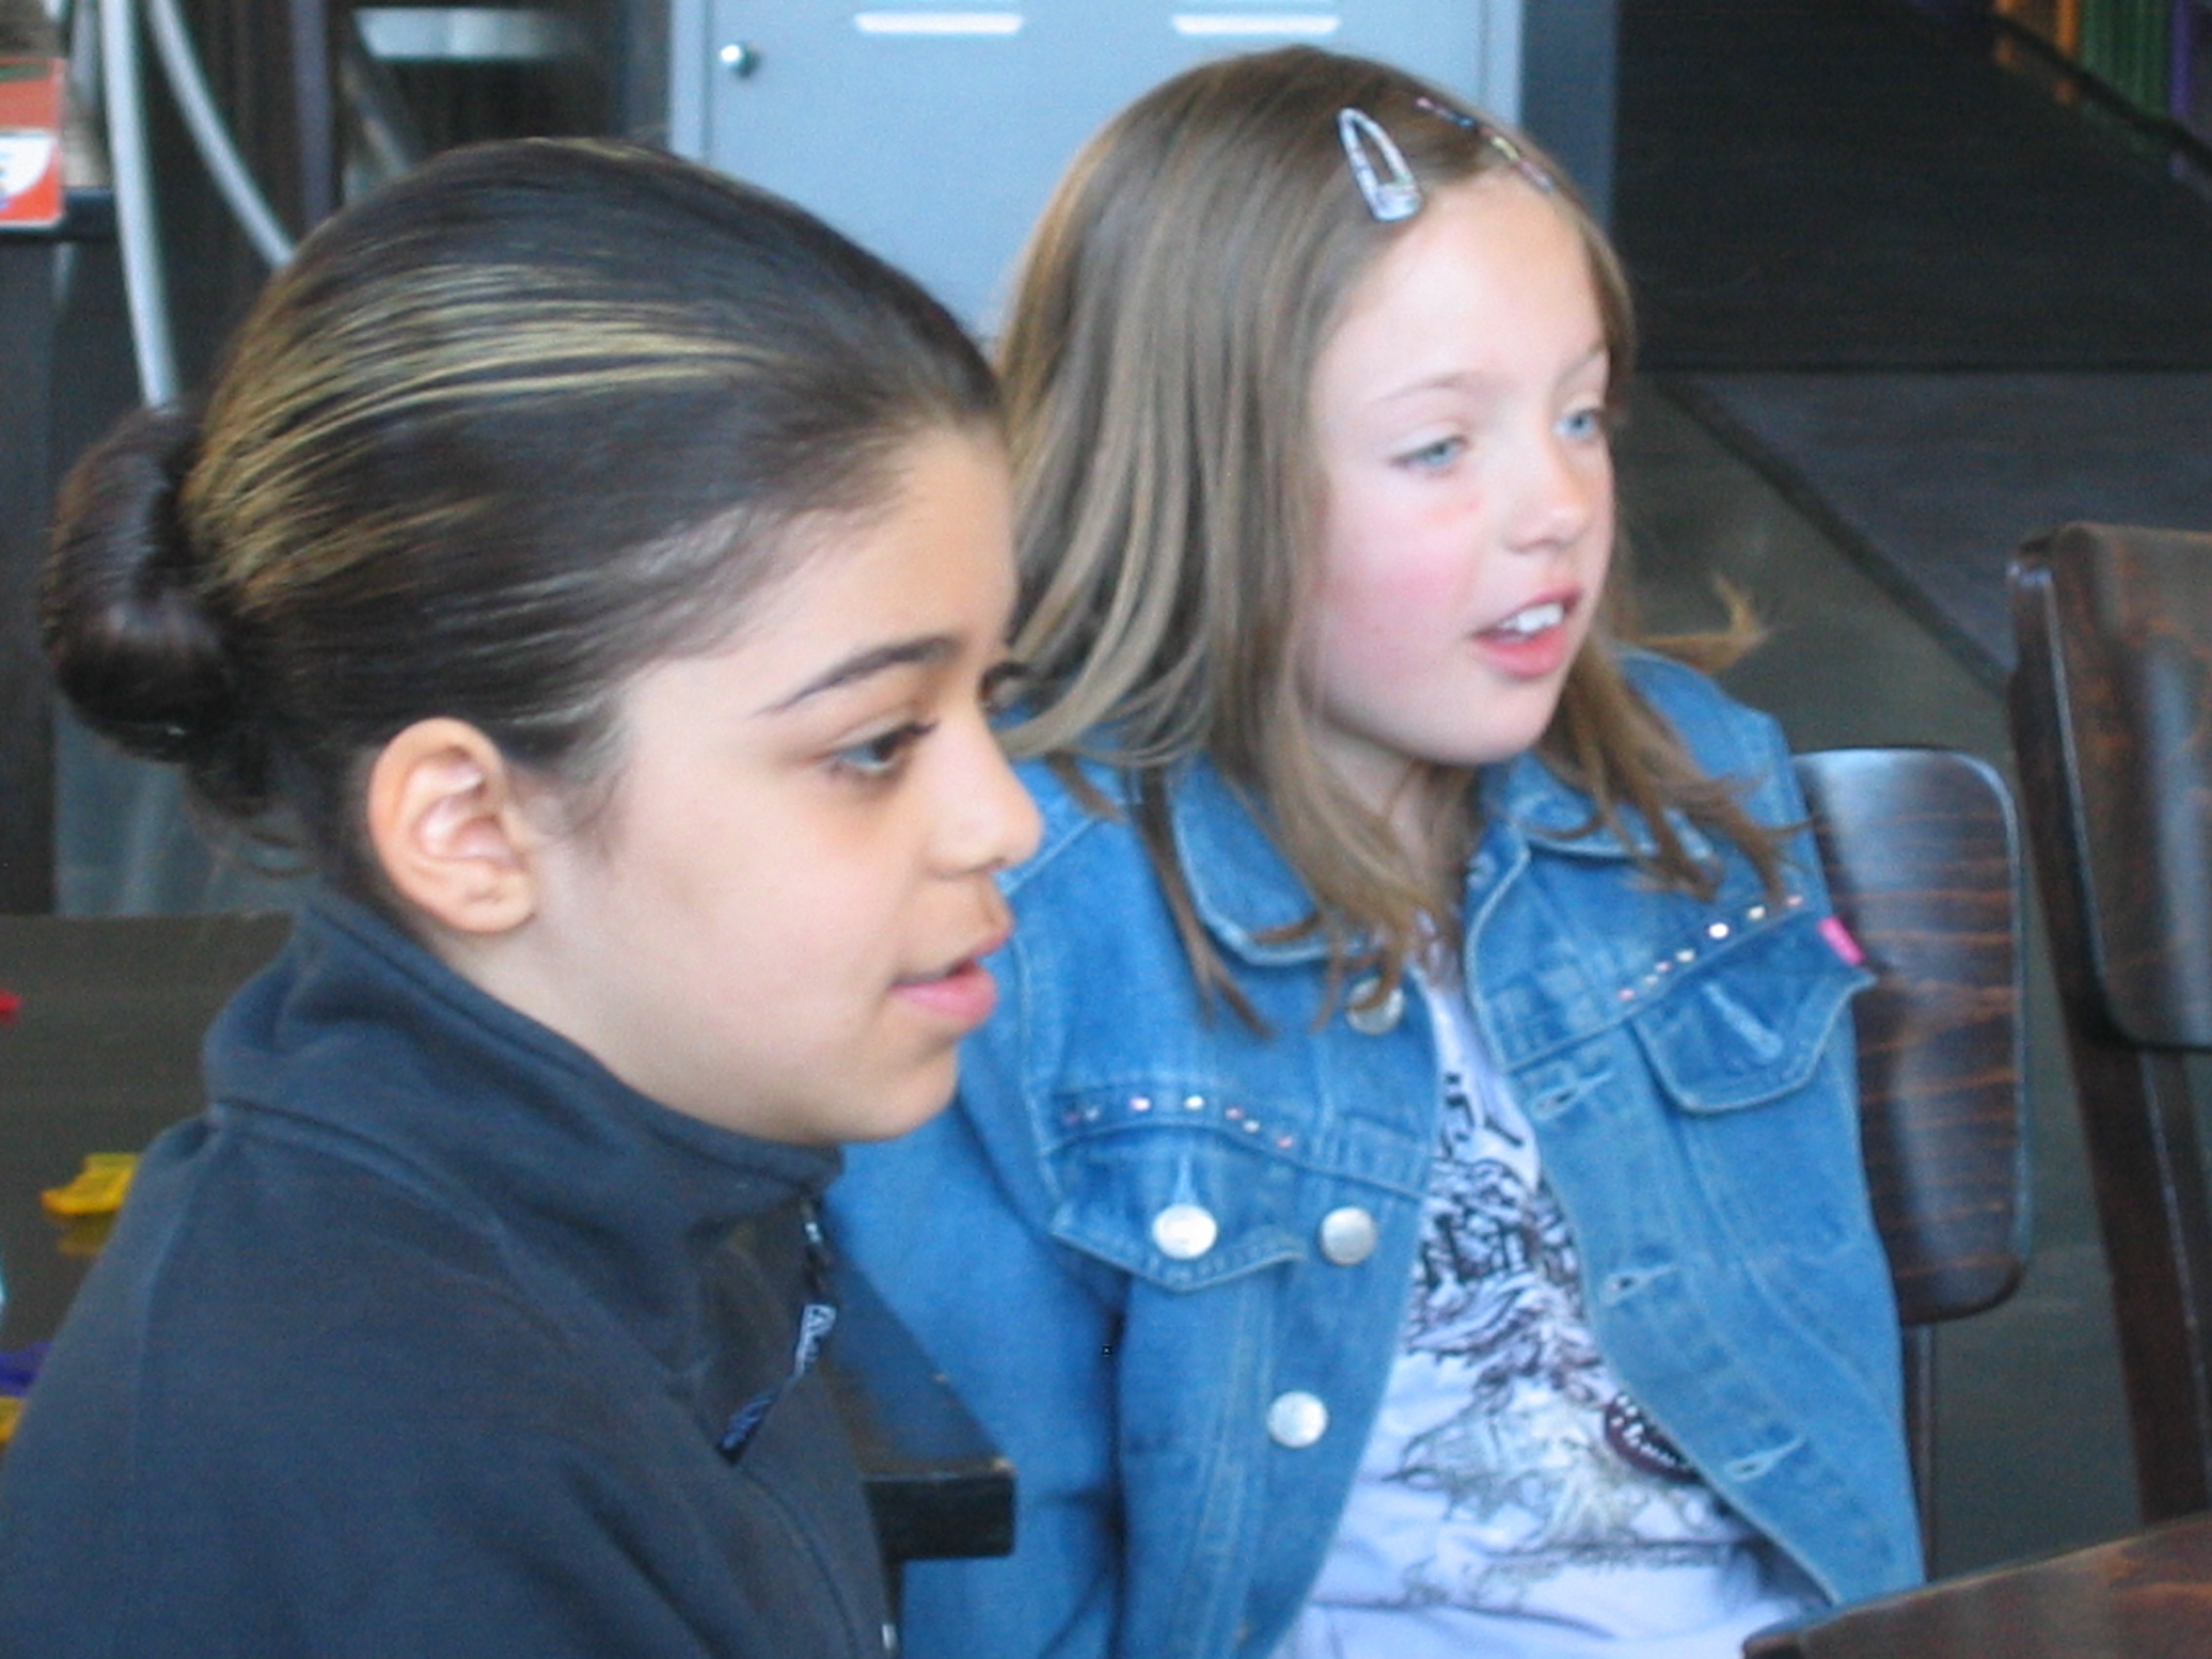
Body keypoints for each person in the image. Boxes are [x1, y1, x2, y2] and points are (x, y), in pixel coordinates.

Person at [829, 46, 1922, 1659]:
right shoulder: (1017, 911)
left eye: (1582, 415)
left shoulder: (1688, 782)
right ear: (1199, 479)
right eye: (1439, 449)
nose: (1557, 505)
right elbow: (1002, 1549)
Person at [0, 137, 1041, 1657]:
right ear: (471, 828)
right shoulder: (398, 1472)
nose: (1005, 818)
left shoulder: (645, 1190)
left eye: (992, 698)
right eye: (874, 745)